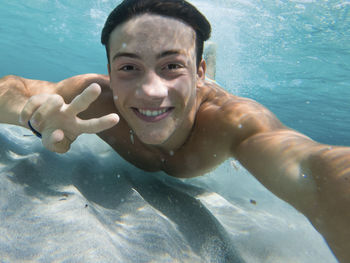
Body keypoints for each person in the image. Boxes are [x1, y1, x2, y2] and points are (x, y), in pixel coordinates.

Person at [0, 0, 349, 261]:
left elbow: (315, 168)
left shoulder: (232, 121)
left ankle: (206, 62)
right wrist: (31, 115)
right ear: (108, 69)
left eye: (171, 65)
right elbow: (12, 89)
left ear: (196, 74)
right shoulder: (95, 96)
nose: (150, 90)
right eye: (129, 67)